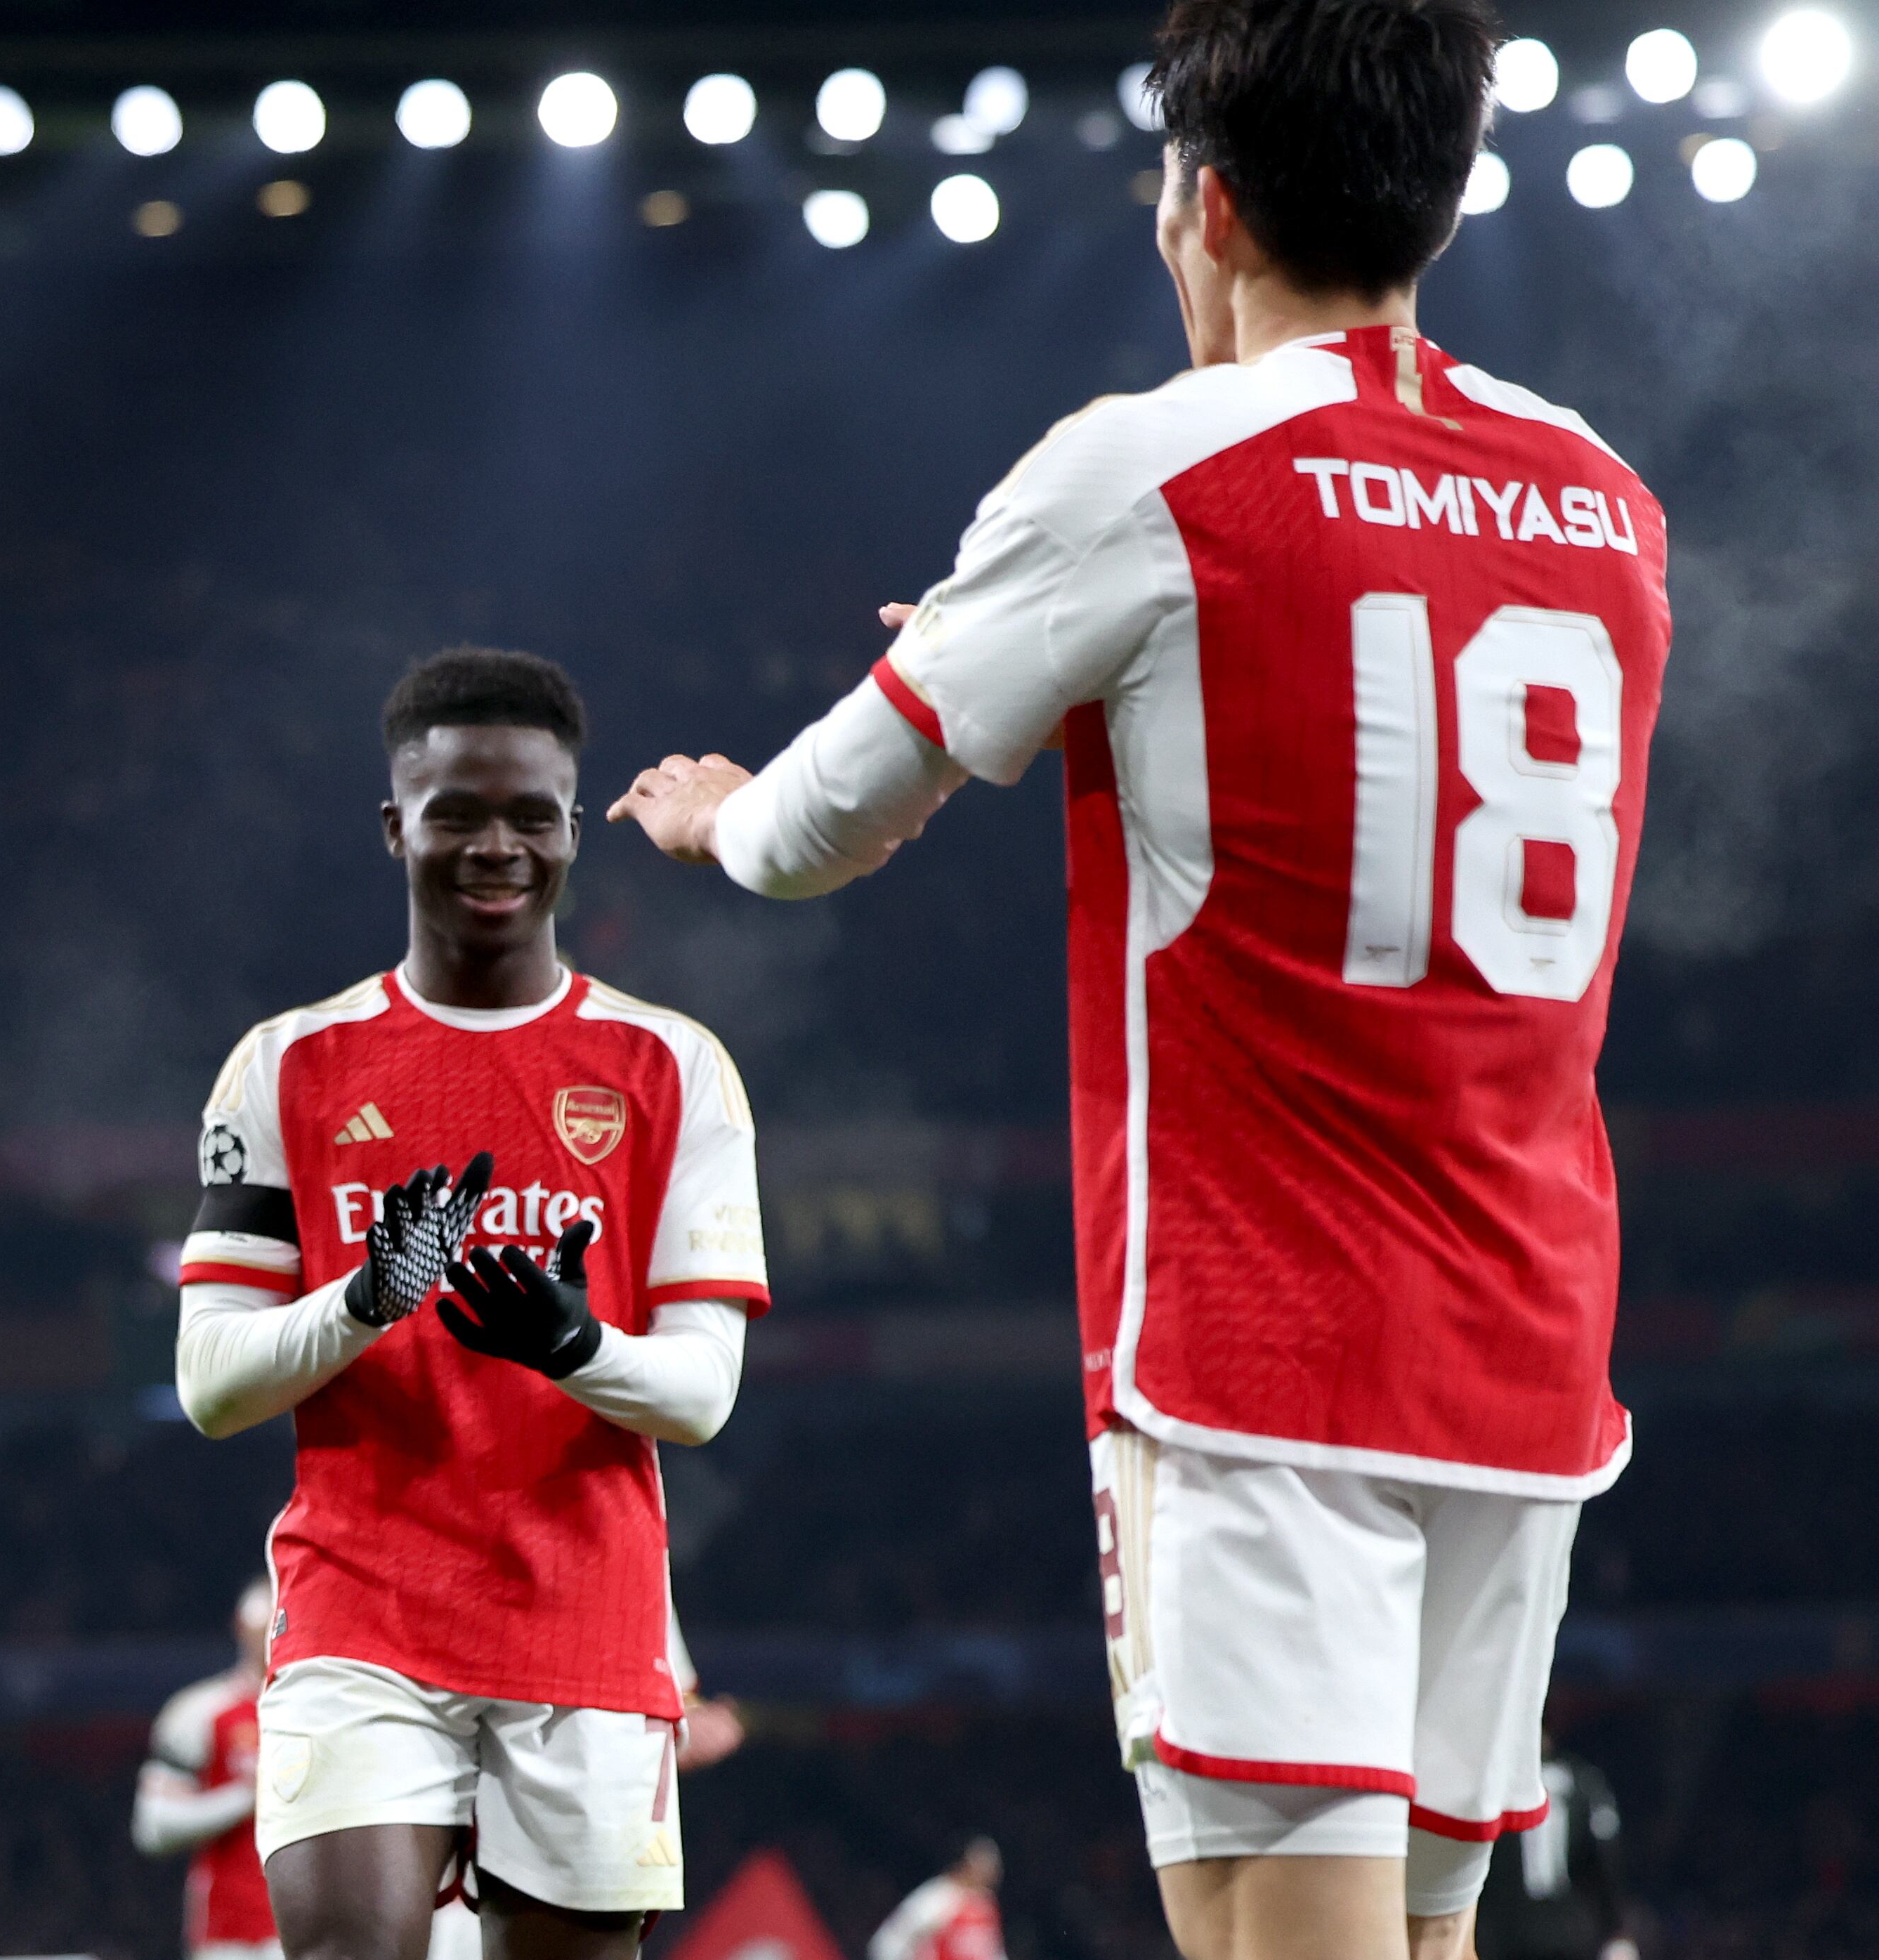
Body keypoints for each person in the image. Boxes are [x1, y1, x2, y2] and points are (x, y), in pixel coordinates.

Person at [608, 2, 1668, 1955]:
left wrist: (716, 814)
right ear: (1438, 203)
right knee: (1433, 1938)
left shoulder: (1147, 470)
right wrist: (1085, 659)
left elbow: (817, 830)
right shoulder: (1602, 493)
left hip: (1263, 1354)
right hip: (1524, 1342)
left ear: (1211, 203)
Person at [176, 647, 771, 1960]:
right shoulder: (283, 1068)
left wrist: (569, 1342)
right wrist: (365, 1297)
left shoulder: (673, 1068)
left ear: (572, 828)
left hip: (584, 1625)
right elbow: (210, 1383)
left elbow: (701, 1394)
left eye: (528, 815)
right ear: (396, 825)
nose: (492, 843)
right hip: (358, 1619)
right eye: (454, 812)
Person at [136, 1579, 284, 1960]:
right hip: (226, 1936)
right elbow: (153, 1828)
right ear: (241, 1626)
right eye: (261, 1622)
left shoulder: (320, 1715)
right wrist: (246, 1798)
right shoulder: (198, 1712)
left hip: (305, 1927)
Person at [1475, 1739, 1634, 1960]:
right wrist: (1616, 1929)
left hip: (1500, 1931)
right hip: (1565, 1931)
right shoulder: (1583, 1780)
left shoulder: (1486, 1778)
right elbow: (1604, 1865)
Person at [868, 1841, 1004, 1960]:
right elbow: (887, 1941)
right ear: (965, 1864)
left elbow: (991, 1952)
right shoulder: (938, 1897)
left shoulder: (985, 1905)